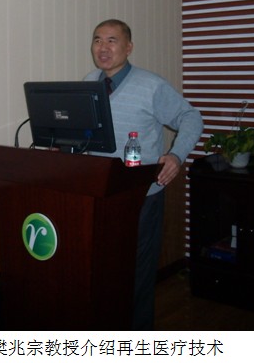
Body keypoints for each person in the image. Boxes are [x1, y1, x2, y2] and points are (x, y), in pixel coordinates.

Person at [84, 18, 203, 330]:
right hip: (100, 194)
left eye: (112, 40)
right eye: (97, 40)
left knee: (136, 274)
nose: (103, 47)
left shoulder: (150, 86)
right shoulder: (89, 82)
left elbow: (191, 117)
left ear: (129, 47)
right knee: (105, 272)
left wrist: (176, 155)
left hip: (141, 197)